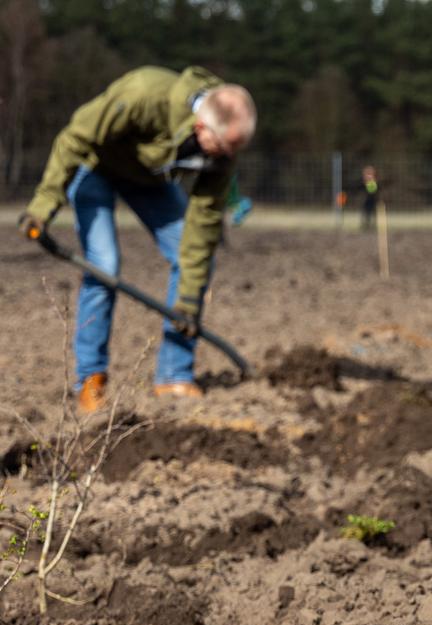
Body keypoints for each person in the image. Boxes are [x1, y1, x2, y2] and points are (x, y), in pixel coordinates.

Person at [18, 66, 256, 413]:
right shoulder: (144, 94)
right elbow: (75, 137)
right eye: (222, 148)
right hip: (95, 166)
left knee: (191, 257)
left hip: (148, 181)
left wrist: (188, 303)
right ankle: (90, 378)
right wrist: (43, 207)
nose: (226, 158)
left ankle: (174, 373)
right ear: (200, 127)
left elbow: (203, 225)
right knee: (104, 265)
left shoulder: (221, 151)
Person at [360, 165, 380, 231]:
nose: (369, 176)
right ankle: (365, 225)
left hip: (374, 201)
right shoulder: (364, 183)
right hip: (367, 201)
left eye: (370, 174)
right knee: (366, 213)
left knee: (374, 213)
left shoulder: (374, 183)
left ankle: (374, 226)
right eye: (367, 174)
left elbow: (374, 191)